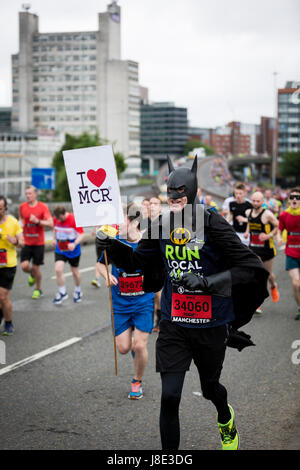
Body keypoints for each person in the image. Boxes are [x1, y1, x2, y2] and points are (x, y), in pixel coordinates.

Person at [96, 156, 269, 450]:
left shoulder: (212, 223)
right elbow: (139, 262)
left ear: (191, 193)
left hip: (211, 324)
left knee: (210, 388)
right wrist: (111, 246)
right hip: (174, 323)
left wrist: (207, 283)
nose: (173, 201)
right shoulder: (161, 225)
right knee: (170, 396)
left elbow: (249, 268)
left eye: (179, 196)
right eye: (170, 197)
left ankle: (225, 418)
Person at [97, 203, 154, 400]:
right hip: (120, 304)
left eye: (123, 219)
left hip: (143, 302)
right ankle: (136, 352)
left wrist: (150, 277)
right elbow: (100, 265)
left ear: (134, 222)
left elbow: (160, 268)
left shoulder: (147, 243)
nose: (119, 223)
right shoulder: (114, 243)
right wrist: (106, 276)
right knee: (123, 348)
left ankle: (137, 381)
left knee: (139, 346)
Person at [244, 191, 280, 312]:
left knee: (268, 274)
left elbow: (278, 225)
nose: (255, 203)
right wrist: (247, 231)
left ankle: (273, 286)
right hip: (253, 248)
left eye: (258, 201)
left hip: (267, 249)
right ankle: (257, 302)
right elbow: (250, 222)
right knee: (258, 273)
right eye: (253, 200)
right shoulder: (248, 212)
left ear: (262, 202)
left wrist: (268, 235)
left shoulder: (267, 214)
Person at [19, 185, 53, 299]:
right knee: (24, 266)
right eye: (26, 194)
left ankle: (38, 289)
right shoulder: (22, 206)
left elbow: (50, 223)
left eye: (30, 193)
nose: (28, 196)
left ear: (35, 194)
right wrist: (19, 226)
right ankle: (32, 274)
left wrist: (38, 221)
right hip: (26, 241)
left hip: (38, 243)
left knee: (36, 267)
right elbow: (21, 219)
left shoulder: (43, 207)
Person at [52, 206, 85, 304]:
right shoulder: (56, 219)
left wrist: (74, 243)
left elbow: (82, 234)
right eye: (57, 218)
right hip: (60, 249)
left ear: (63, 214)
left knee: (75, 272)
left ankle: (78, 290)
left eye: (60, 218)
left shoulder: (74, 219)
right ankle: (62, 292)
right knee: (58, 269)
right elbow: (55, 229)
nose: (58, 220)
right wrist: (54, 239)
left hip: (73, 250)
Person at [0, 196, 24, 335]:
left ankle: (8, 323)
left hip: (8, 264)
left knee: (3, 297)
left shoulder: (13, 222)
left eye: (0, 208)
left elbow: (22, 243)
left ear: (6, 208)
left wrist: (14, 241)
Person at [277, 188, 300, 320]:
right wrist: (279, 238)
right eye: (292, 197)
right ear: (289, 199)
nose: (295, 199)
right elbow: (280, 229)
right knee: (296, 283)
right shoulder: (284, 215)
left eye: (298, 197)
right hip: (291, 251)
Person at [149, 197, 163, 332]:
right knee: (151, 294)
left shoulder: (165, 222)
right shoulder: (143, 223)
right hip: (146, 262)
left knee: (157, 293)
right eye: (151, 203)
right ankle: (154, 317)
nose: (152, 206)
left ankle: (160, 319)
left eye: (156, 204)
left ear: (160, 207)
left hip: (160, 262)